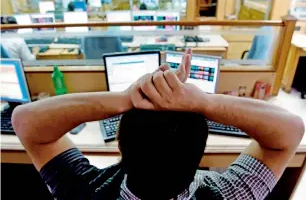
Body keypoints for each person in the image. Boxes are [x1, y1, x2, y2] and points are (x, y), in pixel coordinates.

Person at [12, 50, 304, 199]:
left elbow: (25, 121)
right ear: (200, 155)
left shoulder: (83, 190)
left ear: (119, 144)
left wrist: (125, 98)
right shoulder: (229, 193)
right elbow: (290, 131)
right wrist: (206, 103)